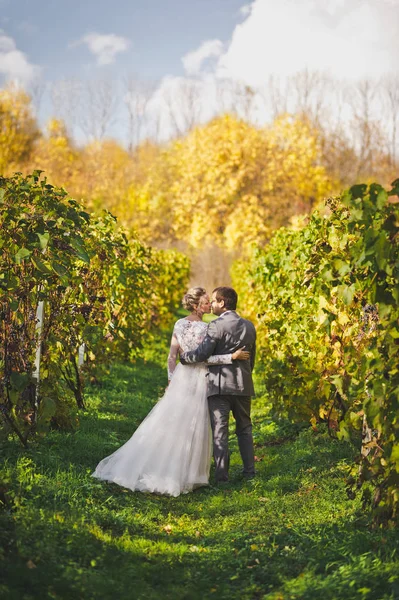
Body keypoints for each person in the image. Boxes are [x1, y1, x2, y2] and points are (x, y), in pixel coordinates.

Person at [92, 287, 249, 497]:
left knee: (175, 422)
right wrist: (231, 357)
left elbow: (171, 356)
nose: (208, 305)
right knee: (195, 425)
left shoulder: (179, 324)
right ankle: (190, 473)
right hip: (201, 378)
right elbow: (204, 359)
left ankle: (171, 466)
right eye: (205, 302)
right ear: (196, 305)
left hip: (182, 379)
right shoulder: (207, 328)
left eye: (209, 301)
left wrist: (171, 379)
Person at [180, 286, 256, 482]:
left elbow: (203, 354)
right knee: (245, 428)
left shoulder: (216, 326)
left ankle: (222, 476)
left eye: (214, 301)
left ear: (222, 303)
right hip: (243, 384)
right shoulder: (249, 326)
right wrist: (245, 376)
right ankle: (249, 472)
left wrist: (185, 357)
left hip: (220, 385)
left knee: (220, 431)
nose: (211, 304)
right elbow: (251, 360)